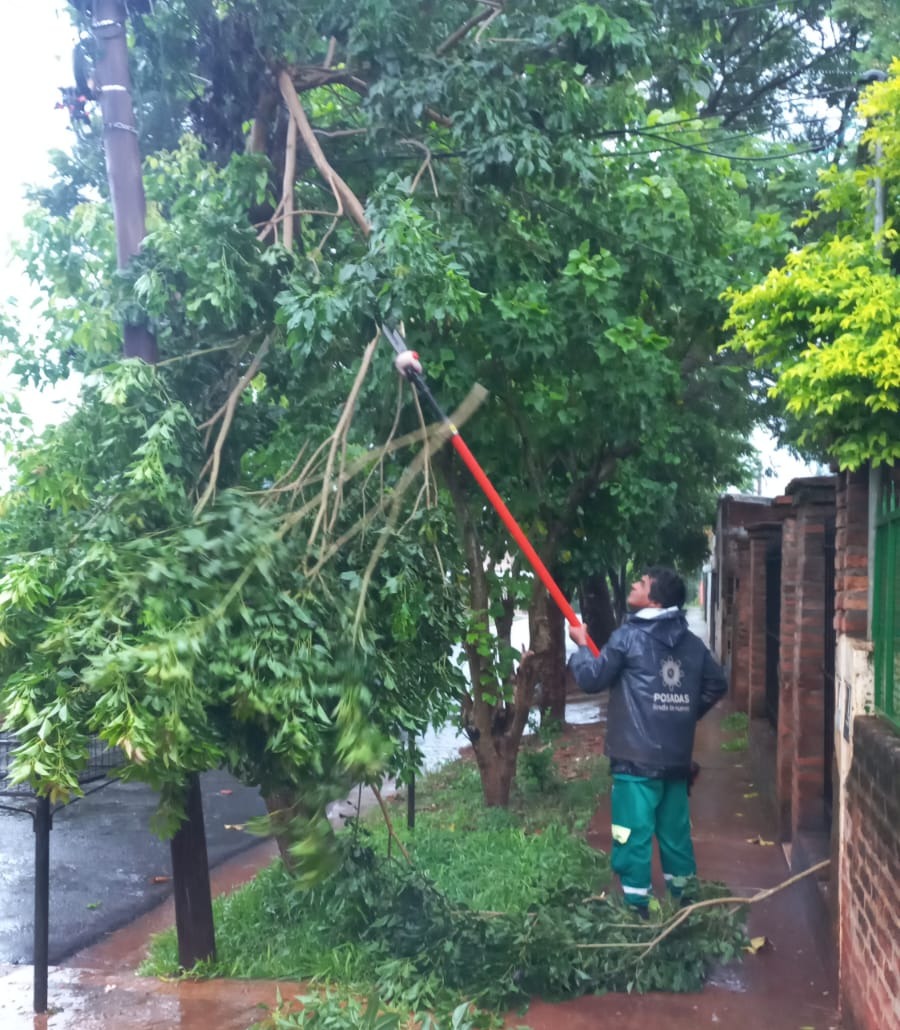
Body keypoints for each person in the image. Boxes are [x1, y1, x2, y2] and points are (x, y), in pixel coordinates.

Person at [568, 566, 726, 912]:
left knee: (632, 837)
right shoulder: (692, 644)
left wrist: (580, 646)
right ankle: (686, 906)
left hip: (634, 761)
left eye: (641, 583)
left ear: (653, 598)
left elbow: (593, 678)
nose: (635, 584)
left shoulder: (629, 636)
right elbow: (717, 684)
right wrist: (680, 715)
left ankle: (636, 913)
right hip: (675, 761)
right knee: (675, 836)